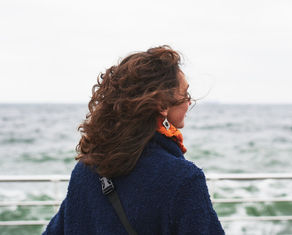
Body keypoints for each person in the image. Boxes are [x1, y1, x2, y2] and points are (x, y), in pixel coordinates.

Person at [43, 46, 225, 234]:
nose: (189, 102)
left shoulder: (87, 169)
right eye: (185, 94)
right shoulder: (183, 179)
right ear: (162, 104)